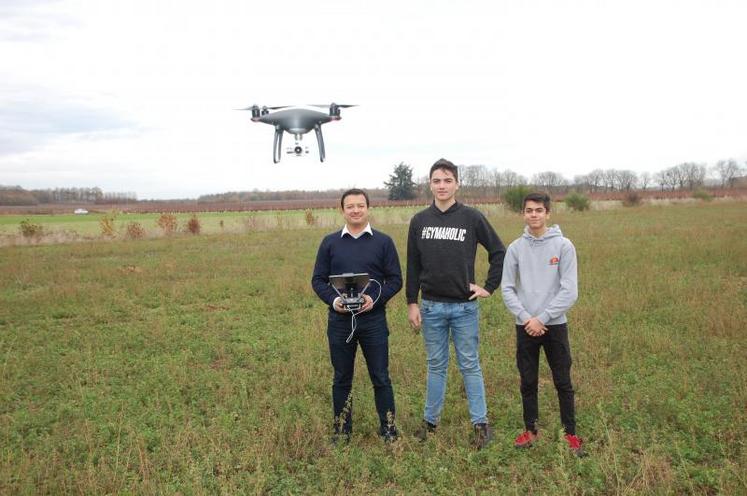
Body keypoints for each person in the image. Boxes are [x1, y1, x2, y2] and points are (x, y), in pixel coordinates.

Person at [406, 158, 506, 450]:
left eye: (447, 180)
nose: (442, 186)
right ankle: (430, 423)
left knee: (470, 365)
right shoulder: (420, 221)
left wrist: (488, 287)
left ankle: (481, 425)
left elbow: (498, 251)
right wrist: (413, 302)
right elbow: (412, 265)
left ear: (457, 184)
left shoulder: (472, 218)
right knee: (435, 365)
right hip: (432, 307)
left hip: (464, 308)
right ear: (430, 184)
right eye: (437, 180)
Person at [311, 188, 402, 443]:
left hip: (373, 320)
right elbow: (317, 280)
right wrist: (334, 300)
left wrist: (375, 299)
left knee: (381, 376)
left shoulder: (383, 242)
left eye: (360, 205)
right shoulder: (330, 243)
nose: (355, 210)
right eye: (350, 206)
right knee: (341, 377)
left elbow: (396, 280)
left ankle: (388, 428)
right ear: (342, 210)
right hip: (340, 321)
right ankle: (342, 430)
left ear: (368, 208)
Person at [500, 191, 585, 456]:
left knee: (563, 381)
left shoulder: (563, 246)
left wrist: (543, 318)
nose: (534, 215)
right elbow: (507, 289)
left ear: (548, 213)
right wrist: (527, 318)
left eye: (539, 210)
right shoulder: (515, 248)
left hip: (554, 325)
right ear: (523, 214)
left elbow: (569, 291)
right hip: (524, 325)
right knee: (528, 381)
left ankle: (570, 434)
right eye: (529, 210)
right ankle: (531, 430)